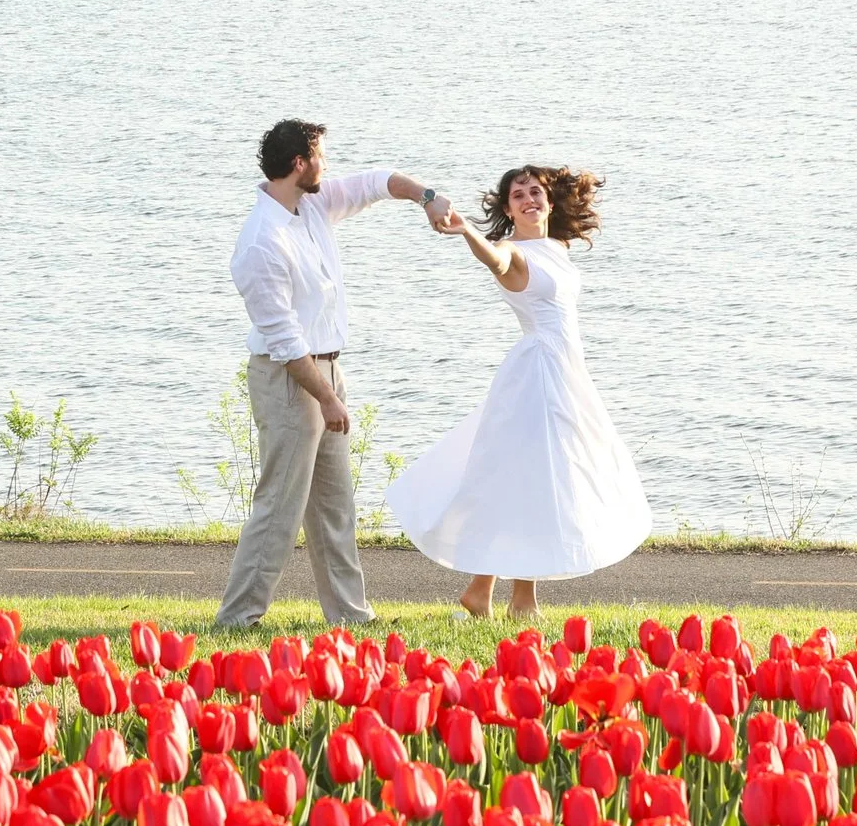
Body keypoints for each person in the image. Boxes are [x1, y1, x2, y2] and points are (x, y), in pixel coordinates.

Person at [386, 165, 650, 620]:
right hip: (538, 376)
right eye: (517, 196)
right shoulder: (513, 251)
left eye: (535, 192)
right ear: (507, 210)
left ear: (548, 201)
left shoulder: (556, 247)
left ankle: (482, 592)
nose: (529, 199)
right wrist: (468, 229)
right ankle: (520, 601)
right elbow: (496, 260)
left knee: (527, 481)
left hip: (566, 372)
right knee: (533, 480)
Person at [217, 118, 447, 629]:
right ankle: (237, 620)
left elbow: (375, 182)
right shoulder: (261, 241)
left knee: (334, 509)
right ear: (299, 163)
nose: (327, 165)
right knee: (279, 506)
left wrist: (425, 196)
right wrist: (326, 396)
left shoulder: (312, 204)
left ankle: (350, 617)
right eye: (321, 155)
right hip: (290, 380)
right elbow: (283, 339)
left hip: (325, 374)